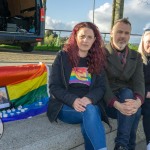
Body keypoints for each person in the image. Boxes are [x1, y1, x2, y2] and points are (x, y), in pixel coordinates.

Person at [47, 22, 109, 150]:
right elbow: (54, 86)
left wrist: (89, 99)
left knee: (90, 111)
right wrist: (73, 100)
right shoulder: (62, 57)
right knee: (90, 113)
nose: (85, 40)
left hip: (90, 105)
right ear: (75, 37)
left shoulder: (98, 59)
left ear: (94, 40)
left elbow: (101, 87)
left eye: (89, 37)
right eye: (82, 36)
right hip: (65, 106)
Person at [103, 18, 145, 150]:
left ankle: (122, 145)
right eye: (119, 32)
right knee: (133, 107)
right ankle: (126, 145)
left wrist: (138, 101)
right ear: (111, 33)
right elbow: (101, 84)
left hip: (128, 101)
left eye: (126, 33)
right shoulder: (101, 53)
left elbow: (139, 81)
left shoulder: (136, 56)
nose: (123, 36)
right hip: (109, 102)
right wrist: (118, 105)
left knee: (133, 104)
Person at [138, 29, 150, 150]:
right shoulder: (138, 60)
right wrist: (147, 93)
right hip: (142, 97)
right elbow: (133, 83)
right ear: (143, 42)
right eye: (149, 41)